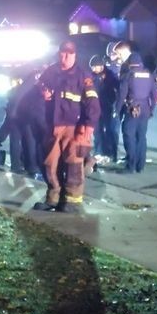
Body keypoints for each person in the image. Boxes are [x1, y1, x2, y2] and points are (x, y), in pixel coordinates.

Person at [34, 40, 100, 214]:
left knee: (74, 164)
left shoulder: (82, 75)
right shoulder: (50, 72)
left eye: (68, 54)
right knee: (50, 164)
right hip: (53, 126)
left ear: (74, 55)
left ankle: (73, 201)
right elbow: (39, 88)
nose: (64, 57)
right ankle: (53, 198)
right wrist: (43, 91)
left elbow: (92, 102)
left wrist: (89, 125)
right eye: (62, 53)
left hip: (74, 128)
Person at [117, 53, 157, 174]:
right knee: (141, 137)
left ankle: (131, 165)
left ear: (130, 63)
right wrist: (151, 110)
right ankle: (140, 165)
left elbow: (121, 95)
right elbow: (154, 96)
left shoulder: (128, 76)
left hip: (132, 108)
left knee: (128, 135)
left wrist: (117, 110)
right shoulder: (149, 75)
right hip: (145, 108)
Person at [90, 54, 120, 164]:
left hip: (108, 107)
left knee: (110, 131)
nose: (93, 69)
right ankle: (99, 151)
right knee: (97, 131)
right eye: (92, 67)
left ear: (101, 66)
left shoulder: (110, 76)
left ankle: (112, 153)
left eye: (94, 67)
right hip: (95, 107)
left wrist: (117, 103)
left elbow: (119, 88)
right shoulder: (91, 76)